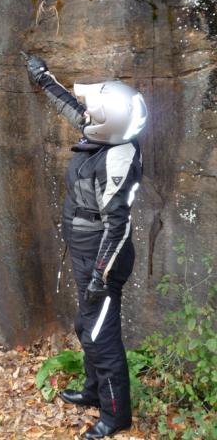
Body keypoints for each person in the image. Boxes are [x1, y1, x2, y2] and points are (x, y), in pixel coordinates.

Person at [23, 52, 147, 439]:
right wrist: (44, 78)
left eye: (95, 111)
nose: (87, 115)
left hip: (102, 259)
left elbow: (118, 226)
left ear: (110, 120)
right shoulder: (104, 132)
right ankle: (94, 391)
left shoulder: (117, 158)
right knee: (86, 325)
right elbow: (74, 109)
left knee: (99, 337)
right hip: (87, 255)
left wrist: (100, 276)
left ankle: (115, 416)